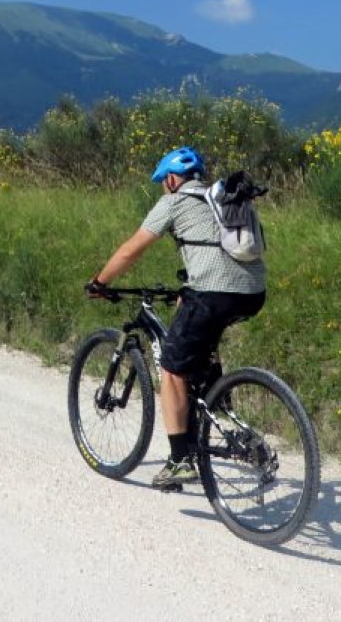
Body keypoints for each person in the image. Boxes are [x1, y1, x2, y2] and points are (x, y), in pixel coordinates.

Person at [88, 146, 267, 490]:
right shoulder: (222, 200)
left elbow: (132, 249)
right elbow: (217, 250)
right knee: (202, 338)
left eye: (162, 182)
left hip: (212, 294)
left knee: (171, 367)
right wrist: (189, 284)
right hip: (253, 293)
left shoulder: (174, 202)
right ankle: (218, 399)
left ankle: (180, 461)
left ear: (171, 179)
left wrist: (100, 282)